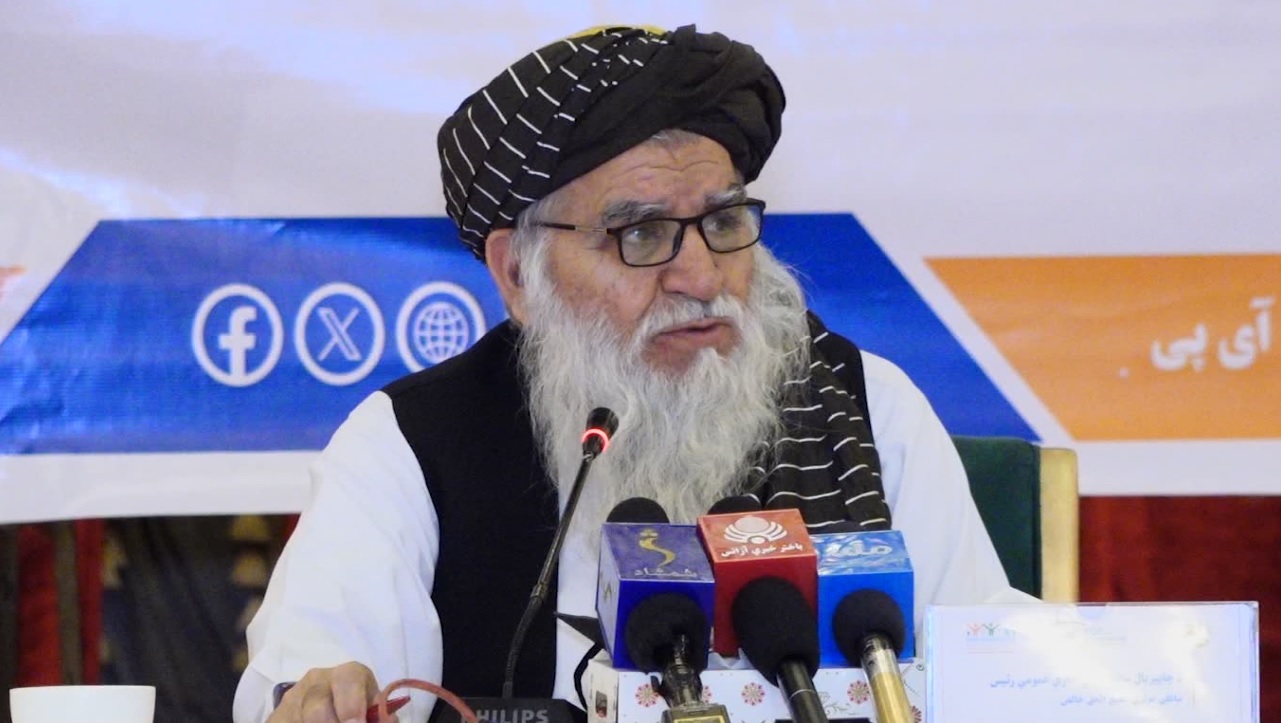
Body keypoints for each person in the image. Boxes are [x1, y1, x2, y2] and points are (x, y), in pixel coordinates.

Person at [234, 24, 1017, 723]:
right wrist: (321, 695)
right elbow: (317, 674)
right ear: (518, 273)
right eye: (640, 233)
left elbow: (993, 675)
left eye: (722, 220)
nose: (701, 276)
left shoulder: (865, 411)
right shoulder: (413, 444)